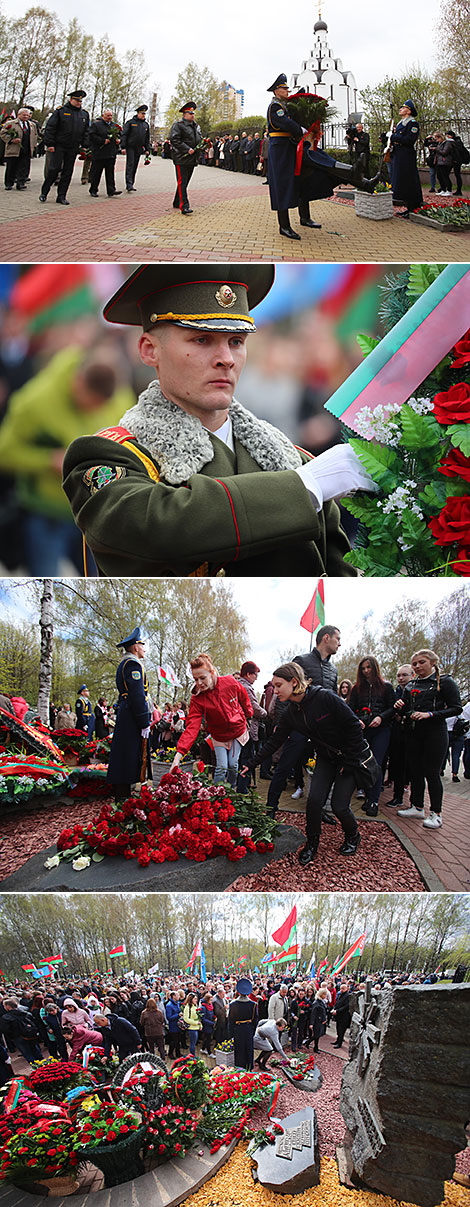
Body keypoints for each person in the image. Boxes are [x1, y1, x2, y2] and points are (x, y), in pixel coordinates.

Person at [63, 263, 376, 578]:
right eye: (202, 340)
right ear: (149, 350)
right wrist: (304, 488)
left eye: (236, 342)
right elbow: (151, 528)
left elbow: (338, 575)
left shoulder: (293, 459)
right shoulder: (107, 455)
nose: (226, 358)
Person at [0, 346, 135, 575]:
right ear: (78, 382)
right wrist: (47, 460)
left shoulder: (121, 398)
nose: (95, 410)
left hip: (96, 514)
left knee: (103, 583)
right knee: (46, 581)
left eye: (101, 406)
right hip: (47, 513)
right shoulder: (34, 402)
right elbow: (5, 453)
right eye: (91, 402)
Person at [242, 661, 368, 863]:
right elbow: (275, 741)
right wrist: (252, 762)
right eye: (273, 686)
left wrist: (351, 761)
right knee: (314, 801)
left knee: (339, 806)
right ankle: (312, 844)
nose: (275, 691)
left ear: (294, 682)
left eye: (278, 685)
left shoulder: (324, 697)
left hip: (350, 758)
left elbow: (354, 725)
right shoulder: (292, 711)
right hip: (326, 759)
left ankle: (353, 834)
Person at [266, 73, 377, 239]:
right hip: (281, 150)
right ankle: (284, 226)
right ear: (276, 91)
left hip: (291, 147)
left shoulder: (285, 106)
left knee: (308, 176)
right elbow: (285, 124)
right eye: (284, 88)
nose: (287, 90)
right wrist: (300, 129)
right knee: (283, 186)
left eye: (287, 88)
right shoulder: (276, 107)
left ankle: (356, 178)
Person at [265, 624, 341, 814]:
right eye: (337, 638)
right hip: (298, 725)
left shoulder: (333, 669)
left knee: (324, 768)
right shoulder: (302, 661)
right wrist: (281, 723)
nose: (340, 643)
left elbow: (334, 699)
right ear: (326, 638)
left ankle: (320, 809)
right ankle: (270, 809)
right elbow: (284, 691)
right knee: (285, 765)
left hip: (323, 730)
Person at [396, 649, 462, 829]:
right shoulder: (411, 684)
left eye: (421, 662)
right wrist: (400, 707)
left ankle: (437, 813)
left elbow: (456, 708)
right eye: (415, 664)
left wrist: (430, 714)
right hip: (413, 733)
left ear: (432, 662)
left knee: (432, 773)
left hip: (435, 733)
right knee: (415, 770)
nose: (417, 666)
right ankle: (417, 807)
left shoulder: (444, 682)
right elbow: (405, 709)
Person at [170, 652, 252, 787]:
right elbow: (192, 727)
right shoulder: (197, 698)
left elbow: (243, 697)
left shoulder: (230, 682)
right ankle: (217, 794)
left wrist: (249, 713)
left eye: (202, 678)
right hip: (218, 735)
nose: (199, 683)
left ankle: (231, 791)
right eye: (196, 679)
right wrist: (178, 757)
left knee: (232, 765)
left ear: (212, 672)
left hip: (237, 731)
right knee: (221, 766)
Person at [106, 625, 152, 800]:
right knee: (127, 754)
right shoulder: (132, 664)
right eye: (142, 645)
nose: (144, 649)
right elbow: (137, 695)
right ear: (135, 647)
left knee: (125, 753)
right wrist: (144, 721)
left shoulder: (128, 663)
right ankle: (122, 796)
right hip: (132, 715)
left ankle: (123, 793)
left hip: (127, 713)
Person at [349, 656, 395, 816]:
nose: (366, 671)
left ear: (375, 668)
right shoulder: (356, 689)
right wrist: (357, 721)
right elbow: (350, 708)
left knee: (377, 763)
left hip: (381, 729)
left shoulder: (387, 687)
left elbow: (392, 708)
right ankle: (368, 797)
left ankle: (374, 800)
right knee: (364, 763)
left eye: (368, 667)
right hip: (363, 730)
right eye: (363, 668)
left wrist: (381, 717)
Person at [40, 89, 90, 205]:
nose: (79, 103)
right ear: (71, 99)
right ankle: (44, 192)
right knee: (54, 169)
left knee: (67, 172)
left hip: (73, 147)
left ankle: (61, 196)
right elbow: (50, 128)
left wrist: (85, 145)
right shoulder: (61, 112)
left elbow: (85, 131)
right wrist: (50, 144)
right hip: (59, 146)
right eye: (77, 100)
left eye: (80, 101)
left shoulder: (84, 114)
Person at [389, 99, 423, 218]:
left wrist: (394, 137)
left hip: (406, 155)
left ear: (409, 111)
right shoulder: (401, 123)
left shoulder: (412, 124)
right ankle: (408, 206)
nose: (400, 110)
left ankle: (414, 206)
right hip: (399, 154)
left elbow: (409, 140)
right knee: (402, 181)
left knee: (409, 181)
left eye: (403, 108)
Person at [386, 664, 414, 808]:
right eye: (399, 675)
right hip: (397, 733)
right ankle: (397, 797)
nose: (401, 678)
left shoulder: (416, 691)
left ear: (412, 676)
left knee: (413, 768)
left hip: (413, 734)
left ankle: (416, 803)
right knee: (397, 764)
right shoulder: (395, 692)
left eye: (404, 675)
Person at [169, 101, 203, 214]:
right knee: (182, 181)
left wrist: (203, 145)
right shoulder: (178, 125)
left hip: (192, 158)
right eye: (190, 113)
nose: (192, 115)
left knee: (184, 181)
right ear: (184, 115)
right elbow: (174, 140)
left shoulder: (196, 126)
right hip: (181, 157)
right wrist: (187, 149)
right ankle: (184, 206)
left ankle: (176, 201)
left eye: (193, 113)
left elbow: (199, 138)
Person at [88, 108, 122, 198]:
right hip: (99, 153)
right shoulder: (96, 125)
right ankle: (93, 190)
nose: (109, 117)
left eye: (111, 116)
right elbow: (91, 136)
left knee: (110, 173)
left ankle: (111, 190)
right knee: (97, 173)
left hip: (111, 153)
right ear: (103, 116)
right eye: (107, 116)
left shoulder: (114, 126)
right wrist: (102, 141)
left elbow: (118, 135)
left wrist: (118, 140)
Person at [1, 108, 38, 190]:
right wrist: (11, 140)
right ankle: (9, 183)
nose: (26, 117)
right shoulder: (11, 123)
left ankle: (21, 183)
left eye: (27, 115)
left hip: (26, 149)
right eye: (24, 115)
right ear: (19, 115)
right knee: (11, 167)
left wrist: (34, 145)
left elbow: (35, 135)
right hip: (14, 148)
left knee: (23, 167)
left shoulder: (32, 125)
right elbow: (3, 133)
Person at [228, 977, 258, 1070]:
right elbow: (255, 1019)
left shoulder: (233, 1004)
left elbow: (230, 1020)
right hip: (248, 1029)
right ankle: (249, 1067)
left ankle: (239, 1068)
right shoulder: (253, 1004)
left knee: (239, 1050)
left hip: (238, 1030)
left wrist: (231, 1033)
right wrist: (252, 1030)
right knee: (249, 1049)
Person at [121, 105, 150, 192]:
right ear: (138, 113)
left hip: (139, 148)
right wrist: (123, 146)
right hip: (130, 146)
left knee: (135, 165)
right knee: (130, 164)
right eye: (142, 113)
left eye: (144, 114)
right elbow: (124, 134)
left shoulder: (145, 125)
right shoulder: (130, 123)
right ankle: (129, 184)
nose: (143, 115)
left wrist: (147, 149)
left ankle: (131, 183)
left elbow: (146, 138)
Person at [305, 987, 328, 1052]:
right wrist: (311, 1023)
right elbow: (313, 1014)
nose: (325, 996)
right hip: (317, 1021)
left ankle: (310, 1044)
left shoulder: (321, 1001)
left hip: (320, 1021)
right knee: (316, 1035)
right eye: (324, 994)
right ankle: (314, 1046)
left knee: (318, 1035)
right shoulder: (316, 1003)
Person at [331, 981, 351, 1048]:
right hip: (339, 1016)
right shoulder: (340, 995)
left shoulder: (347, 996)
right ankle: (337, 1040)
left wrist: (337, 1011)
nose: (341, 990)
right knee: (338, 1029)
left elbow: (346, 1006)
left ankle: (339, 1043)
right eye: (341, 988)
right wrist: (334, 1009)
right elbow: (337, 1003)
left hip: (344, 1016)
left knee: (341, 1030)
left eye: (343, 989)